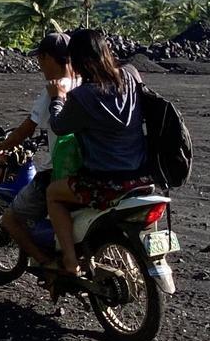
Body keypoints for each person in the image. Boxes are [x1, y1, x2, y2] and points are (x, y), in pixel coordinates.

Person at [46, 29, 150, 276]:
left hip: (105, 182)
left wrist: (57, 99)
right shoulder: (131, 75)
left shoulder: (83, 96)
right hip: (143, 176)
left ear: (78, 61)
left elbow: (59, 126)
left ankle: (70, 261)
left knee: (52, 194)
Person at [0, 32, 81, 271]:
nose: (39, 65)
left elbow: (27, 128)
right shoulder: (85, 82)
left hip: (65, 172)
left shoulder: (54, 88)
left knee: (11, 219)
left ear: (48, 58)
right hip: (93, 165)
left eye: (40, 59)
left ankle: (48, 265)